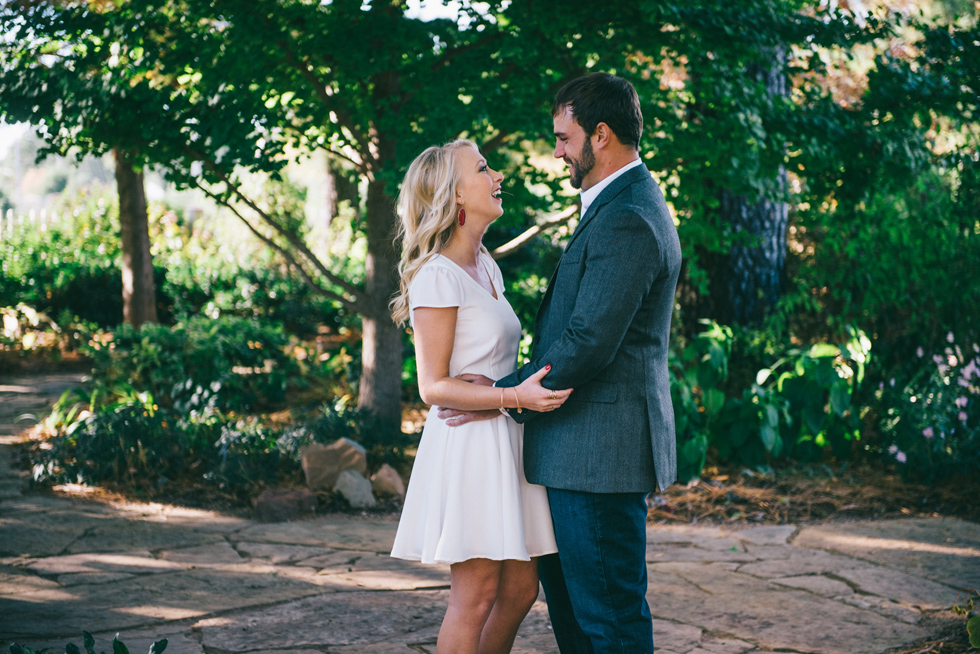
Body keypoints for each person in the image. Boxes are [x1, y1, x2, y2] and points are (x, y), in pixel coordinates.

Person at [439, 73, 682, 653]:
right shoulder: (618, 205)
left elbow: (588, 339)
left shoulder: (628, 216)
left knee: (609, 621)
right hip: (578, 451)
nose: (556, 151)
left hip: (598, 456)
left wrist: (503, 393)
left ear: (600, 135)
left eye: (564, 138)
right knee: (578, 620)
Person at [388, 138, 574, 654]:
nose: (498, 177)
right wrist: (513, 396)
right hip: (469, 447)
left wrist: (507, 391)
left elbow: (487, 367)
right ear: (455, 196)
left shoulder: (486, 266)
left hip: (506, 441)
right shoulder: (437, 276)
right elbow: (433, 386)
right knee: (474, 597)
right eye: (484, 169)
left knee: (519, 590)